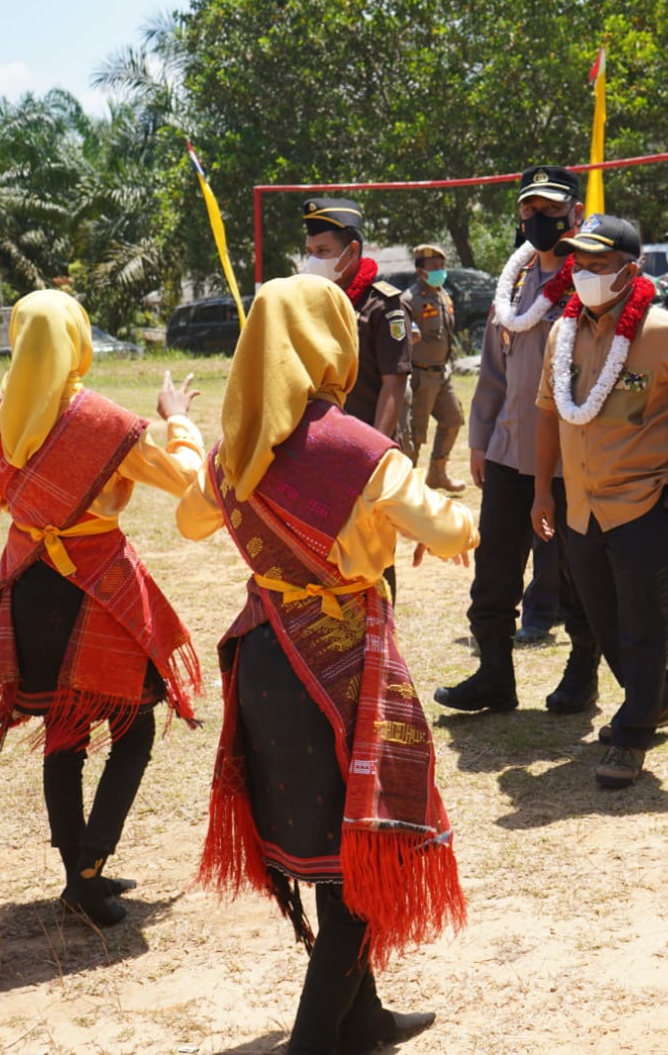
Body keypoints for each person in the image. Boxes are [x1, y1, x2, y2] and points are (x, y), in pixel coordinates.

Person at [180, 275, 472, 1055]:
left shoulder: (232, 453)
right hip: (338, 670)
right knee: (360, 868)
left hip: (268, 658)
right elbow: (443, 530)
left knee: (324, 851)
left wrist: (183, 432)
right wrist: (466, 526)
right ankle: (315, 1042)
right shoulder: (353, 448)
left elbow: (188, 516)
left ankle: (363, 1017)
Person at [0, 290, 205, 926]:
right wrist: (178, 419)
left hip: (30, 590)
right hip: (98, 592)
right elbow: (186, 480)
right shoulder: (106, 422)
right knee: (134, 730)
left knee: (63, 737)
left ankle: (79, 875)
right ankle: (89, 870)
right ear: (77, 342)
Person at [530, 214, 668, 787]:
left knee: (643, 622)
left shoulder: (661, 331)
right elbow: (548, 414)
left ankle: (633, 734)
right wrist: (543, 490)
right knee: (603, 617)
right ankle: (654, 697)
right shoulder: (560, 334)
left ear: (630, 269)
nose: (587, 274)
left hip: (647, 501)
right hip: (581, 506)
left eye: (599, 265)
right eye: (581, 264)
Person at [436, 165, 600, 717]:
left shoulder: (592, 279)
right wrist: (479, 440)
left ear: (573, 214)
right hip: (509, 452)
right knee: (494, 572)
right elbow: (493, 373)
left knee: (578, 572)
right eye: (529, 209)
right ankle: (494, 677)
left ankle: (582, 675)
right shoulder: (513, 282)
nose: (539, 219)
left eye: (551, 210)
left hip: (573, 458)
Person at [299, 198, 411, 440]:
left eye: (322, 251)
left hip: (366, 438)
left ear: (352, 251)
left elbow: (394, 383)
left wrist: (374, 449)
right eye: (309, 252)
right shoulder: (309, 301)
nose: (313, 260)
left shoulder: (382, 305)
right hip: (319, 442)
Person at [402, 243, 466, 493]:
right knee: (415, 435)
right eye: (434, 267)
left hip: (443, 373)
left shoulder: (442, 295)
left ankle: (437, 474)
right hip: (420, 375)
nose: (440, 271)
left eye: (442, 266)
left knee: (453, 420)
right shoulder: (409, 300)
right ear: (421, 272)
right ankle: (408, 488)